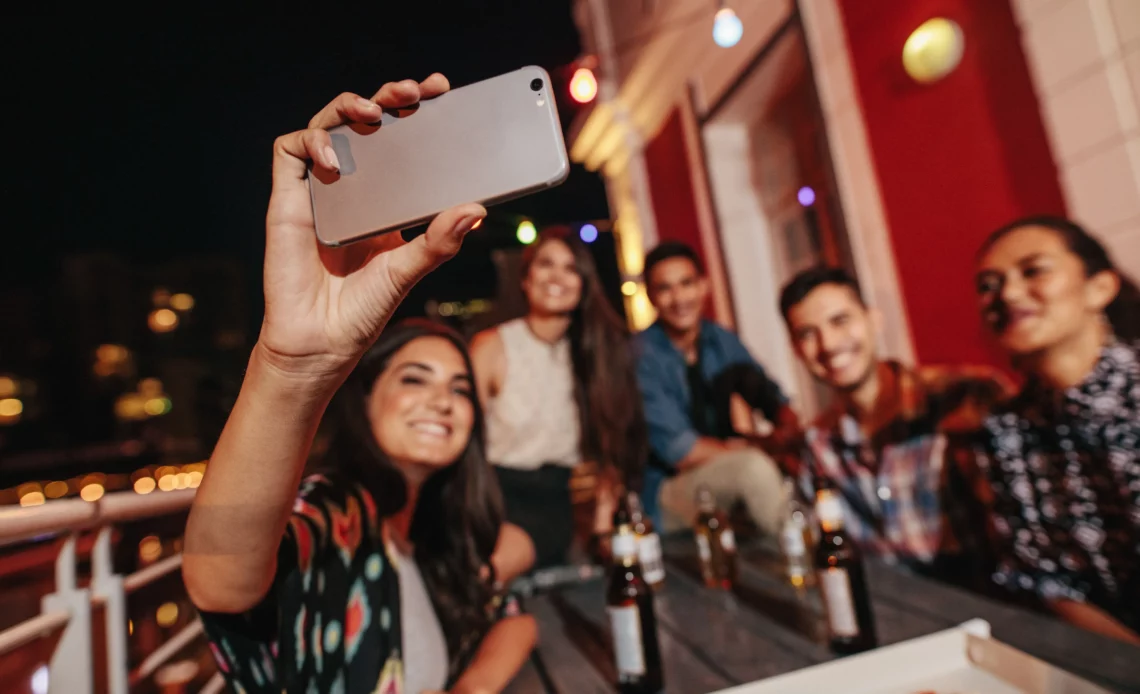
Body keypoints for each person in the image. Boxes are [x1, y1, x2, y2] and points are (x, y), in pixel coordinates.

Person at [183, 76, 536, 694]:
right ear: (366, 400)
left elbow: (514, 623)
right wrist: (293, 368)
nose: (442, 401)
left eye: (459, 389)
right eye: (415, 378)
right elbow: (220, 579)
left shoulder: (429, 536)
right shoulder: (338, 512)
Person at [780, 266, 1012, 587]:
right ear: (796, 350)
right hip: (890, 615)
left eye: (840, 321)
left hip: (981, 610)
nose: (828, 344)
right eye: (807, 333)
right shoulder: (817, 445)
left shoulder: (963, 398)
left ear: (874, 320)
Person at [974, 215, 1140, 644]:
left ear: (1099, 287)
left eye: (1033, 271)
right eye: (989, 284)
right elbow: (1048, 582)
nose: (1007, 294)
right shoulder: (1006, 429)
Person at [470, 227, 646, 568]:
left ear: (584, 283)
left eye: (570, 268)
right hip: (494, 497)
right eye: (546, 264)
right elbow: (464, 443)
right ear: (525, 278)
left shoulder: (595, 356)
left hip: (556, 505)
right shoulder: (493, 346)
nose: (557, 276)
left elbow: (614, 448)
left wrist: (603, 528)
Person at [635, 241, 798, 534]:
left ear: (703, 286)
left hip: (718, 467)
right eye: (664, 289)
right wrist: (756, 448)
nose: (679, 298)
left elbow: (769, 395)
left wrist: (788, 433)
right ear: (650, 297)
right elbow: (681, 452)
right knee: (753, 469)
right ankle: (812, 557)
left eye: (686, 284)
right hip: (666, 491)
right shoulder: (640, 356)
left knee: (804, 456)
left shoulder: (719, 339)